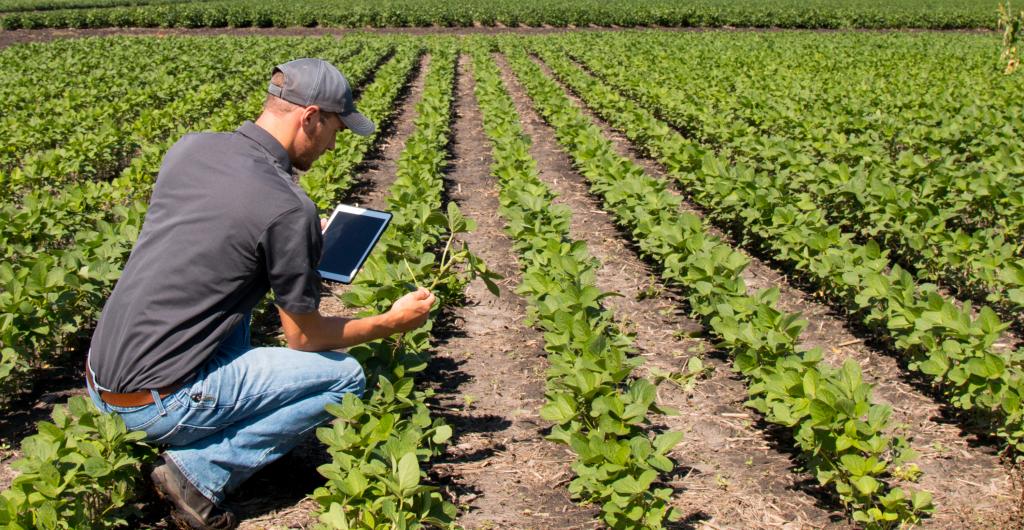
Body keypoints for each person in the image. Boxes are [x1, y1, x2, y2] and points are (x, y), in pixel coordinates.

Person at [84, 58, 435, 530]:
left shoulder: (191, 148)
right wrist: (391, 322)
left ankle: (208, 423)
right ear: (310, 117)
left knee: (236, 302)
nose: (335, 144)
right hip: (157, 403)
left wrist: (299, 245)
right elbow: (303, 339)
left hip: (102, 381)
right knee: (344, 377)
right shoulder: (289, 207)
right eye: (336, 128)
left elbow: (221, 239)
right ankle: (199, 475)